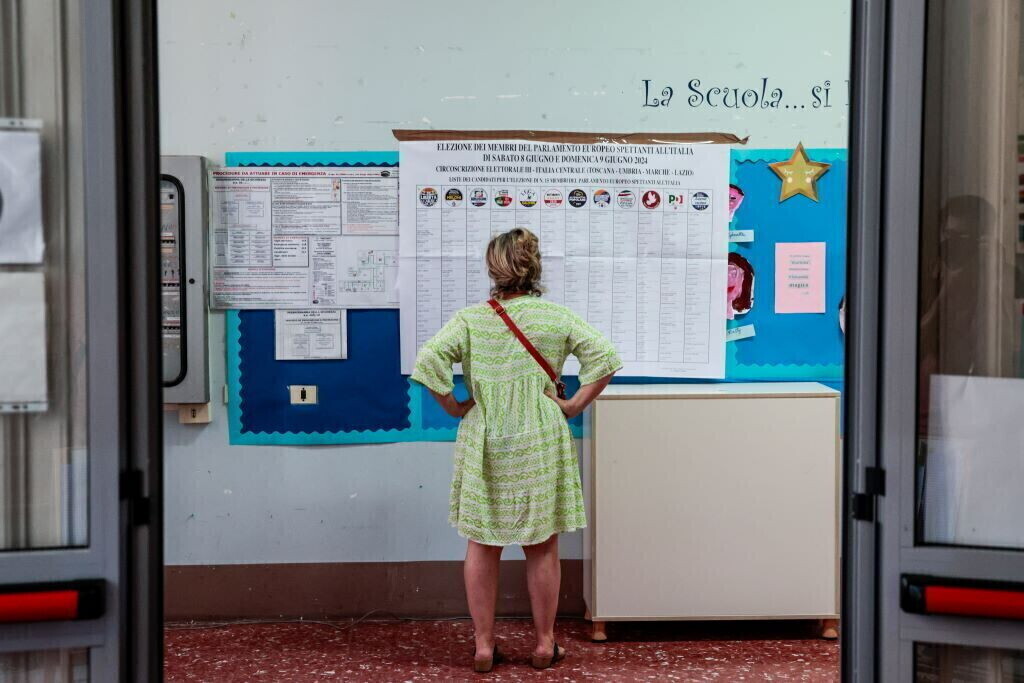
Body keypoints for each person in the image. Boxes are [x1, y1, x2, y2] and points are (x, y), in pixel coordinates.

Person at [411, 227, 621, 673]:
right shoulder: (554, 318)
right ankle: (544, 644)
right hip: (540, 434)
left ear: (493, 269)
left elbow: (427, 361)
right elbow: (605, 357)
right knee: (542, 545)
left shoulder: (470, 320)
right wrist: (573, 404)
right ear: (535, 268)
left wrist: (454, 406)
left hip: (485, 431)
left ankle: (484, 646)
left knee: (482, 543)